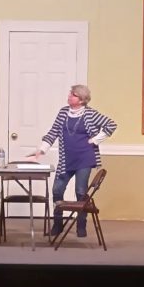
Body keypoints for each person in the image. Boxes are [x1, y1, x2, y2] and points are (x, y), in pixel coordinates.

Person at [28, 85, 117, 238]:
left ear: (81, 100)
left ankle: (81, 225)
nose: (69, 96)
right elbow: (53, 131)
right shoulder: (63, 112)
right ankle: (58, 224)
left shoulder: (90, 114)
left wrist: (95, 140)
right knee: (57, 190)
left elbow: (111, 125)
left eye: (73, 94)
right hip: (66, 159)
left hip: (84, 158)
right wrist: (41, 150)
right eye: (70, 93)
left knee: (80, 192)